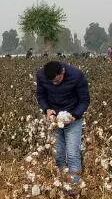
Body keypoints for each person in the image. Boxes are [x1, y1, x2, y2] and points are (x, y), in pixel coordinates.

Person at [35, 60, 90, 190]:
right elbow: (40, 95)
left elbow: (85, 100)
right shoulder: (41, 75)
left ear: (63, 72)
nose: (54, 84)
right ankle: (61, 182)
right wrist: (47, 109)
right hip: (54, 120)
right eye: (51, 82)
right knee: (58, 153)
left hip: (73, 119)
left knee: (72, 153)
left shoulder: (77, 75)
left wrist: (74, 115)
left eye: (57, 81)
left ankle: (74, 187)